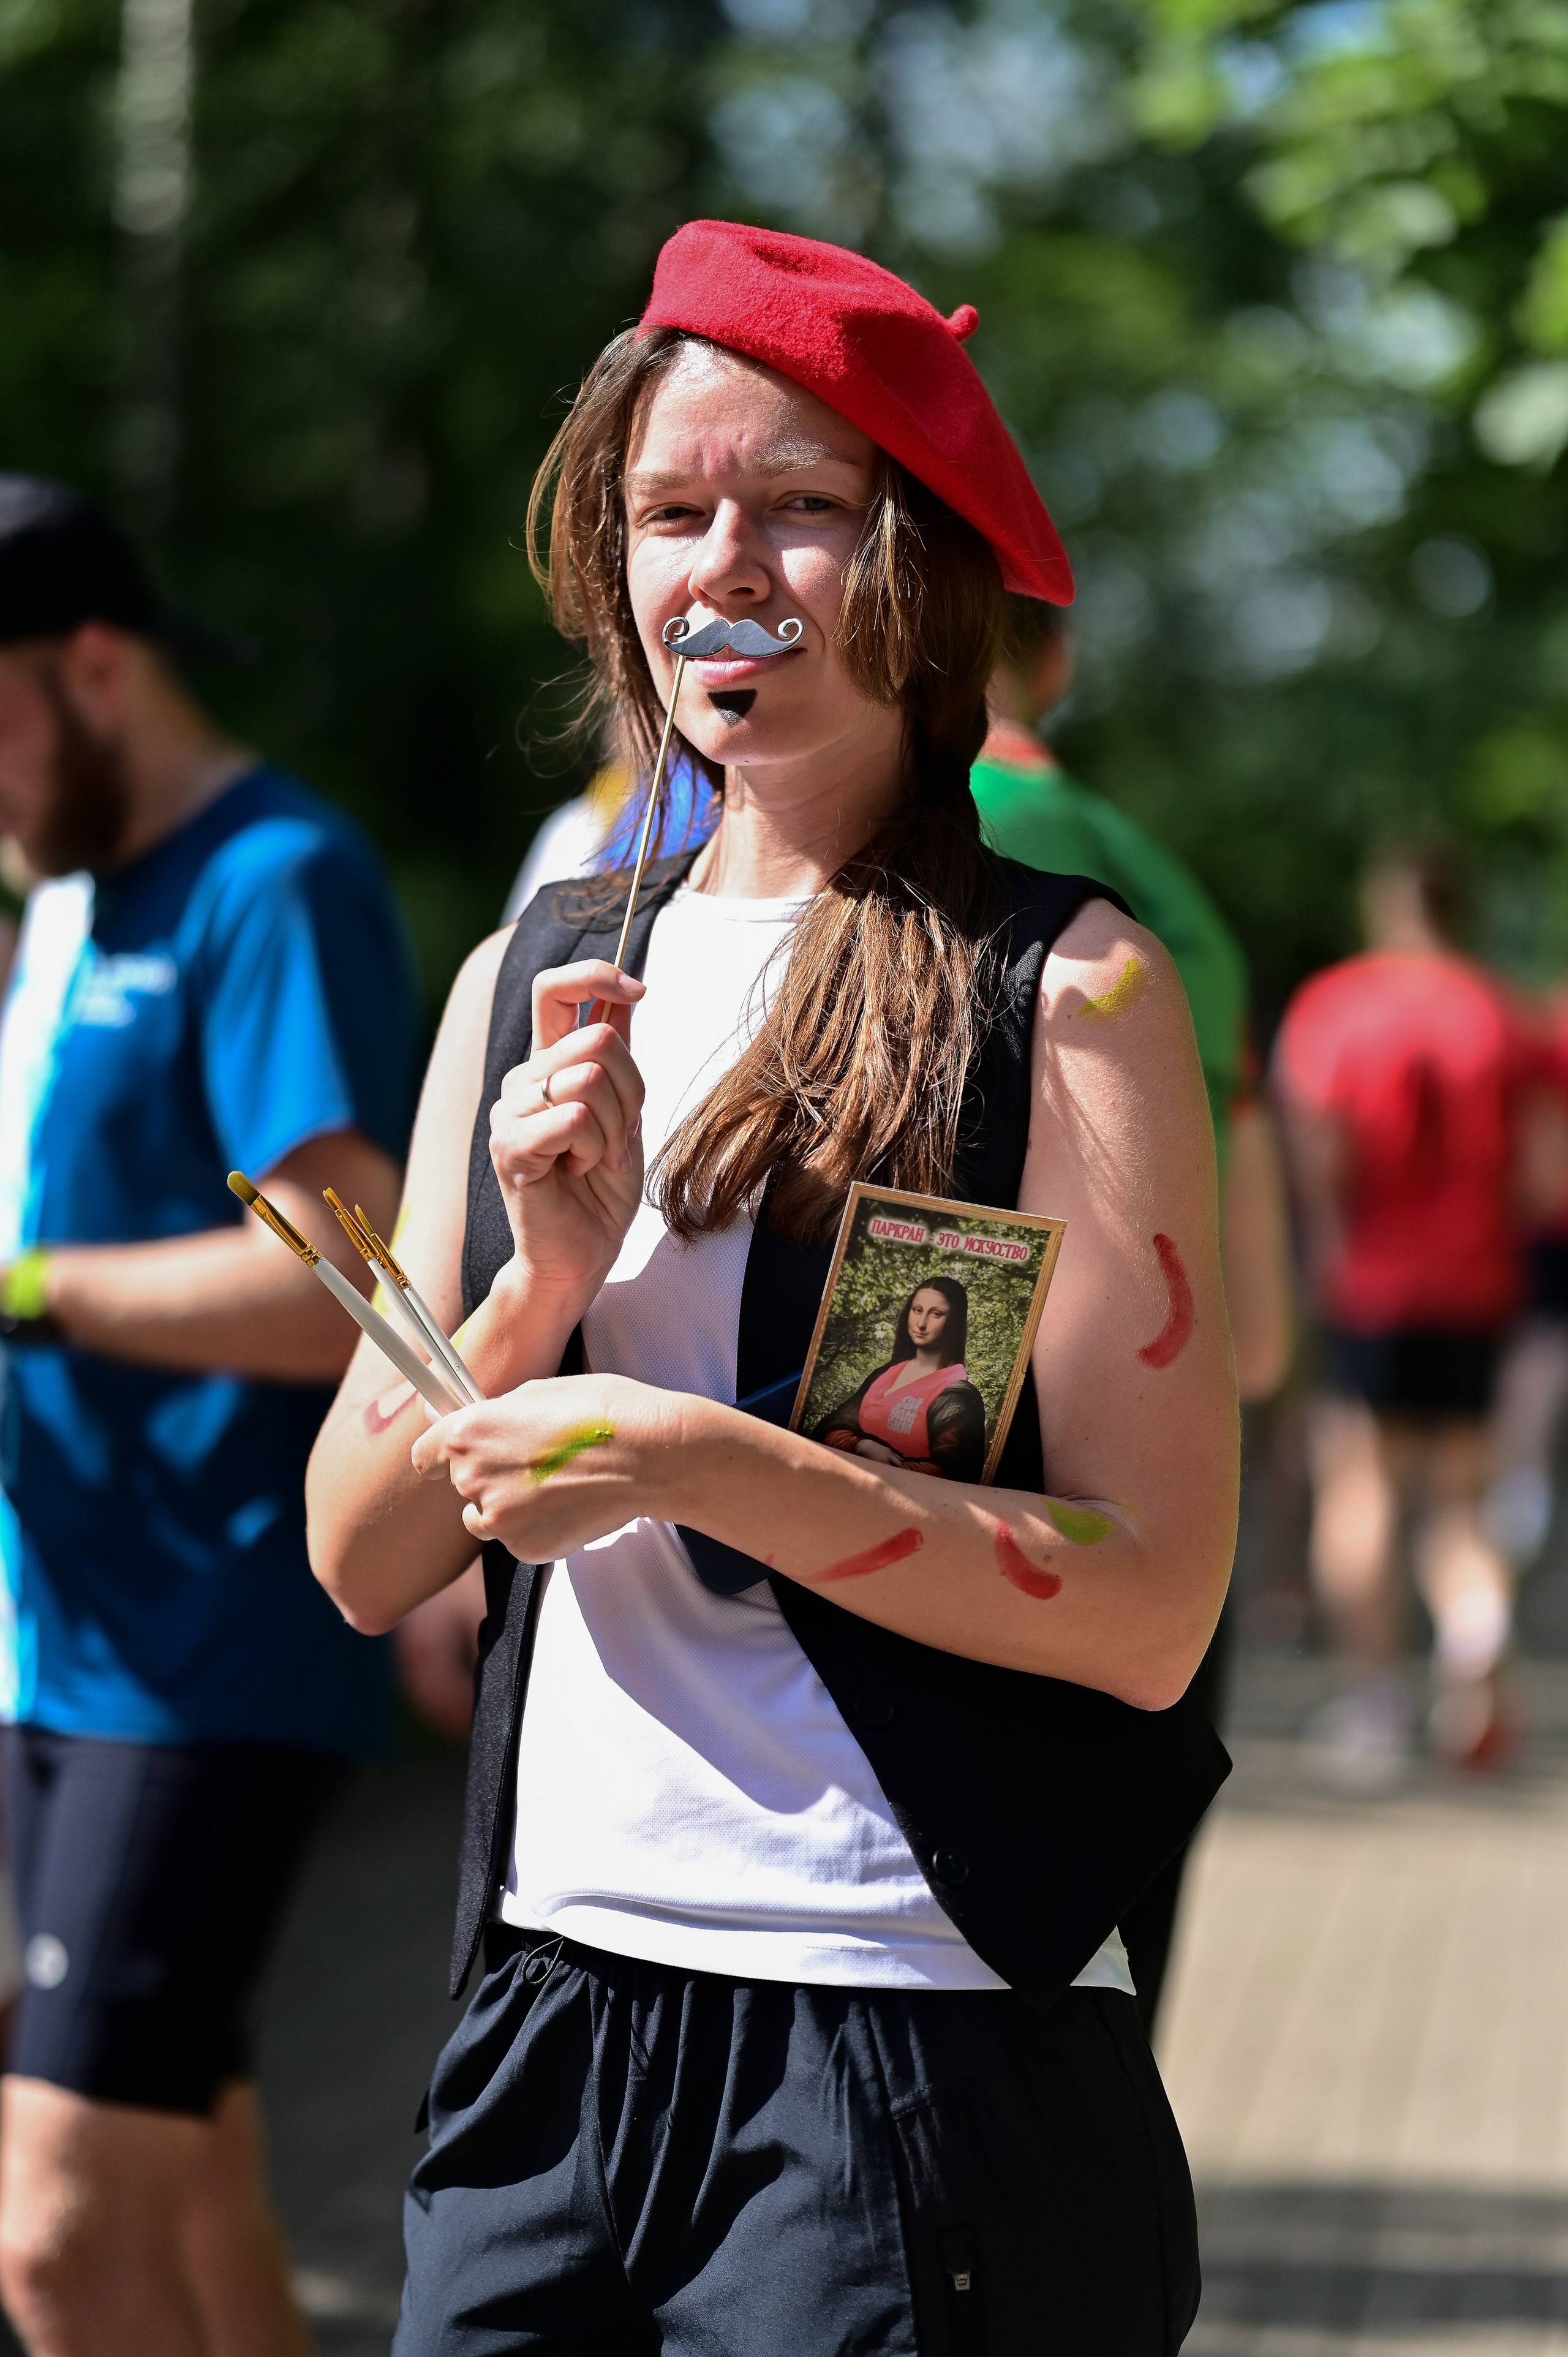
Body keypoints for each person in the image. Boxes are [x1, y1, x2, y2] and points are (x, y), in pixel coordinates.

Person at [310, 221, 1238, 2353]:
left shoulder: (1067, 990)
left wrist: (696, 1456)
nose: (724, 565)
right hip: (545, 2022)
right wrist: (542, 1286)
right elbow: (360, 1558)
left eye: (803, 506)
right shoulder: (534, 961)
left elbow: (1152, 1599)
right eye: (669, 510)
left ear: (921, 564)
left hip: (910, 2043)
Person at [0, 477, 419, 2357]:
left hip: (209, 1648)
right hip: (61, 1632)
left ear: (99, 665)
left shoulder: (275, 878)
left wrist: (30, 1292)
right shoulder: (71, 893)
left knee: (55, 2246)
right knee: (195, 2209)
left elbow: (353, 1277)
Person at [1275, 842, 1534, 1784]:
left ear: (1387, 905)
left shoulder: (1337, 1007)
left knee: (1364, 1488)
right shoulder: (1504, 1013)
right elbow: (1545, 1173)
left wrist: (1322, 1258)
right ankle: (1477, 1624)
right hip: (1478, 1284)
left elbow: (1322, 1156)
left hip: (1374, 1288)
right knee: (1462, 1492)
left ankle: (1375, 1705)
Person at [815, 1275, 987, 1482]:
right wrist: (862, 1446)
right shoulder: (884, 1374)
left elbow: (951, 1475)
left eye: (936, 1314)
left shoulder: (957, 1396)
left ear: (954, 1322)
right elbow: (832, 1428)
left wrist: (884, 1467)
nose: (921, 1324)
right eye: (918, 1310)